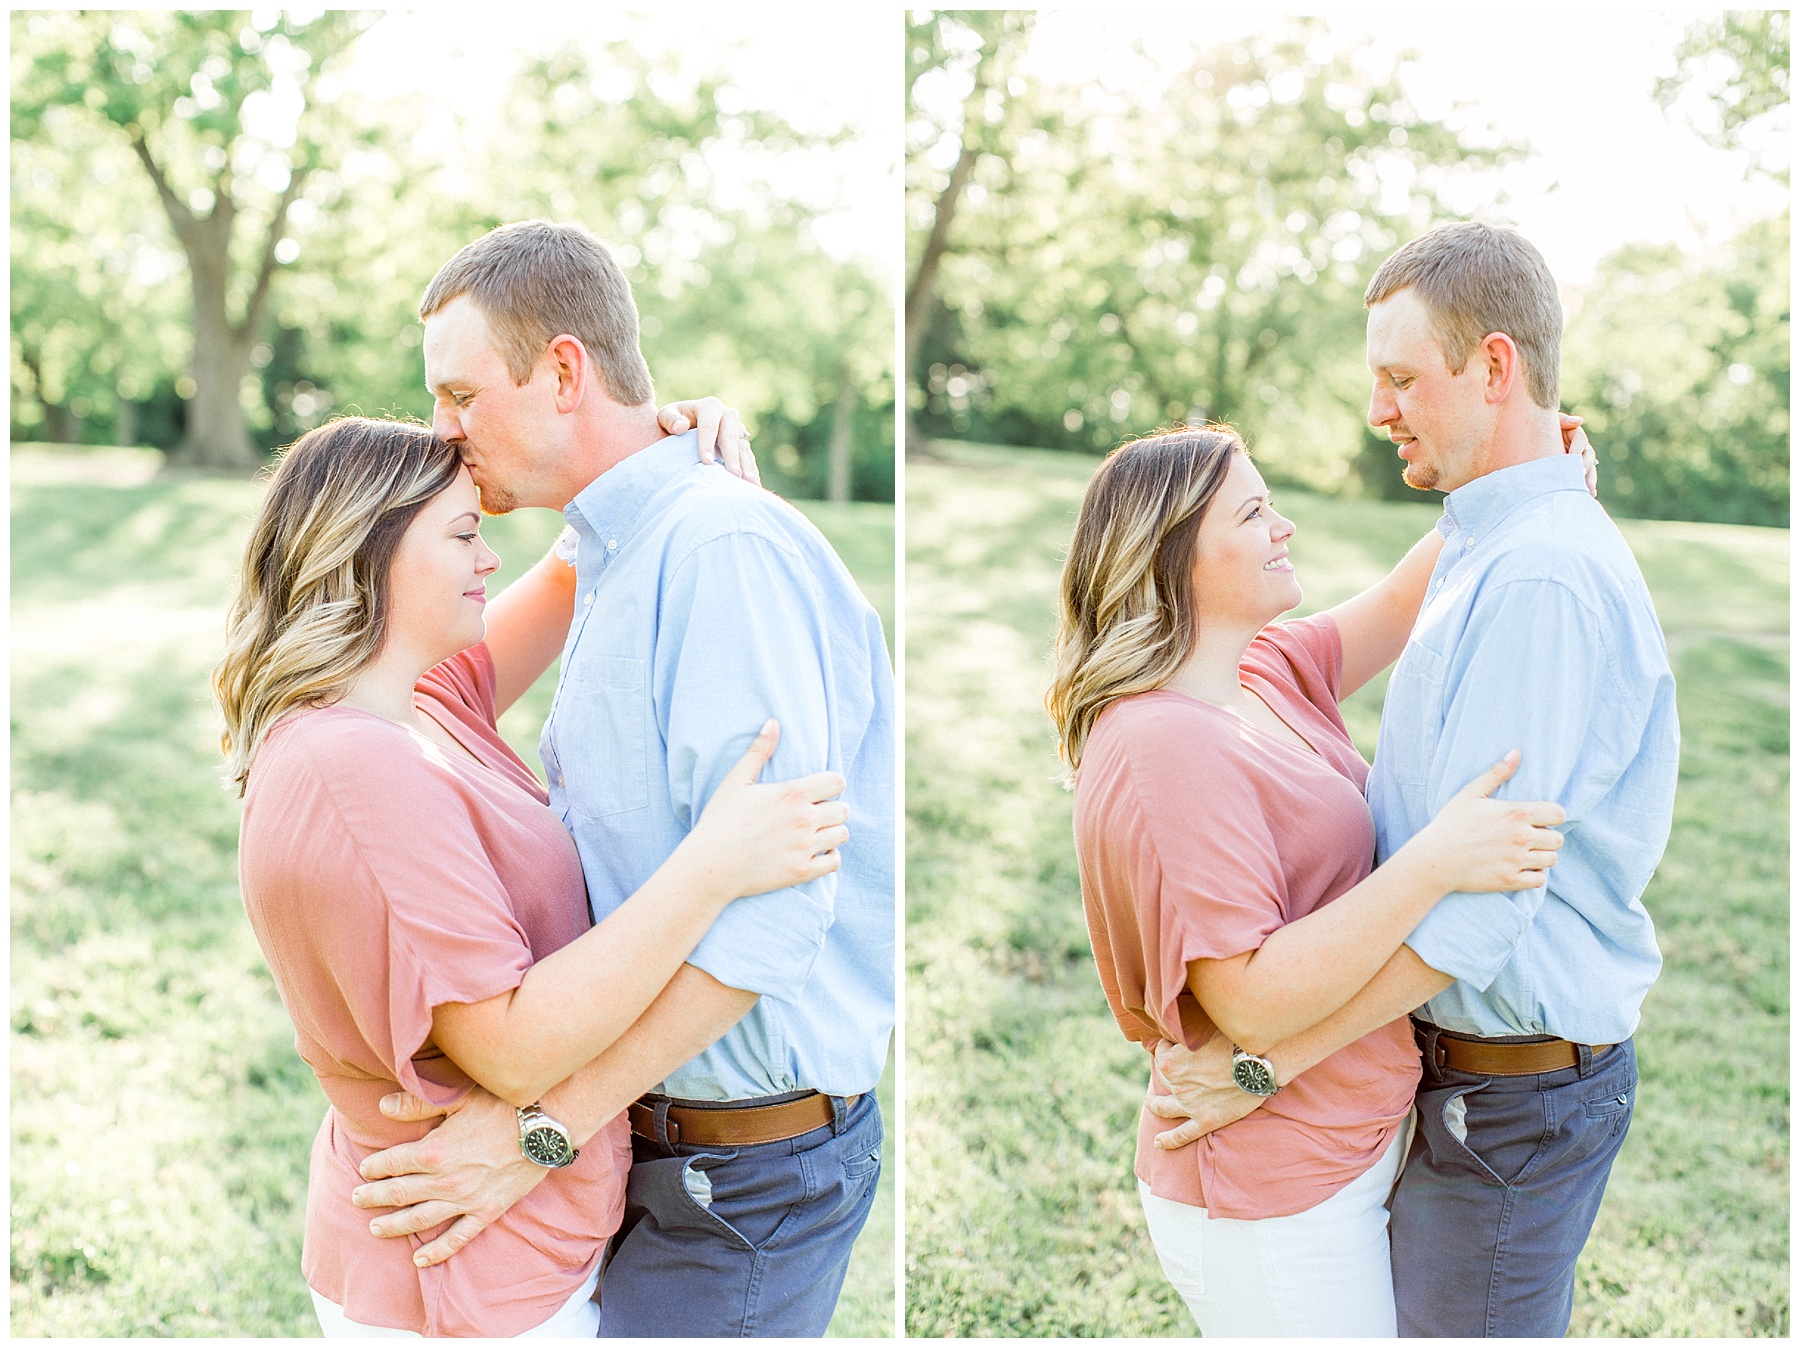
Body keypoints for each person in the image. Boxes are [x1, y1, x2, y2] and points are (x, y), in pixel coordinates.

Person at [342, 220, 895, 1338]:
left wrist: (536, 1128)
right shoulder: (618, 545)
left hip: (742, 1179)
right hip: (652, 1143)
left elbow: (773, 917)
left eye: (458, 397)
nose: (442, 436)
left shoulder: (718, 552)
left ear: (560, 370)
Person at [1146, 222, 1679, 1338]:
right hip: (1465, 1082)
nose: (1377, 411)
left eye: (1399, 379)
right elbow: (1395, 600)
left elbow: (1480, 912)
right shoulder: (1490, 533)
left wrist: (1266, 1063)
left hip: (1513, 1098)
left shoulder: (1538, 575)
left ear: (1494, 368)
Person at [217, 416, 851, 1337]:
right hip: (464, 1273)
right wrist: (712, 867)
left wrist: (666, 431)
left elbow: (571, 561)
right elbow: (508, 1050)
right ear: (368, 553)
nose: (488, 557)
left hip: (507, 1245)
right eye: (464, 534)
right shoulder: (354, 768)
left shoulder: (420, 702)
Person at [1050, 424, 1575, 1335]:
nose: (1284, 525)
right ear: (1175, 557)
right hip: (1270, 1193)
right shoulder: (1160, 742)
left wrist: (1535, 468)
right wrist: (1434, 862)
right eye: (1254, 513)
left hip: (1346, 1141)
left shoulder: (1263, 670)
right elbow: (1248, 1000)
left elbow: (1412, 590)